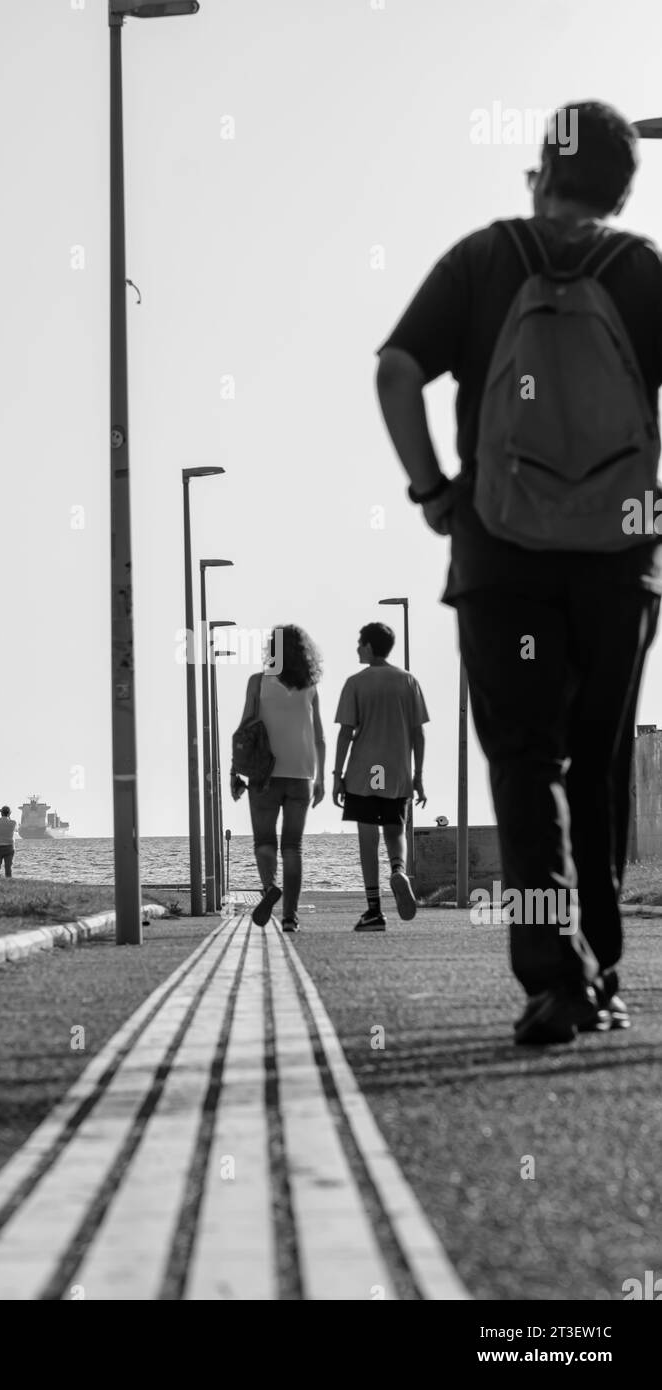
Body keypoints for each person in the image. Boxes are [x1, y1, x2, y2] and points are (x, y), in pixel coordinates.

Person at [375, 100, 662, 1043]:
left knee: (526, 763)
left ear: (541, 166)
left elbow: (396, 372)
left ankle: (553, 979)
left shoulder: (484, 259)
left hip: (501, 558)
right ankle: (605, 970)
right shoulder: (640, 271)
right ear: (623, 187)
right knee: (600, 764)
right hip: (620, 561)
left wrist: (433, 493)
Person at [333, 623, 429, 931]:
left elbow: (346, 733)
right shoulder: (408, 682)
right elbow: (419, 733)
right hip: (397, 769)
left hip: (364, 770)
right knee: (394, 828)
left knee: (367, 836)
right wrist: (419, 775)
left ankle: (374, 910)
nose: (358, 648)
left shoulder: (355, 683)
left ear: (371, 647)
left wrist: (337, 775)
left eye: (361, 643)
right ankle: (398, 870)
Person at [231, 625, 326, 931]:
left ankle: (270, 886)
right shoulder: (310, 687)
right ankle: (290, 917)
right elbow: (320, 737)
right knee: (293, 847)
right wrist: (321, 778)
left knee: (264, 841)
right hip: (301, 775)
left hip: (264, 774)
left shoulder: (258, 683)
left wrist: (235, 770)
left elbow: (245, 728)